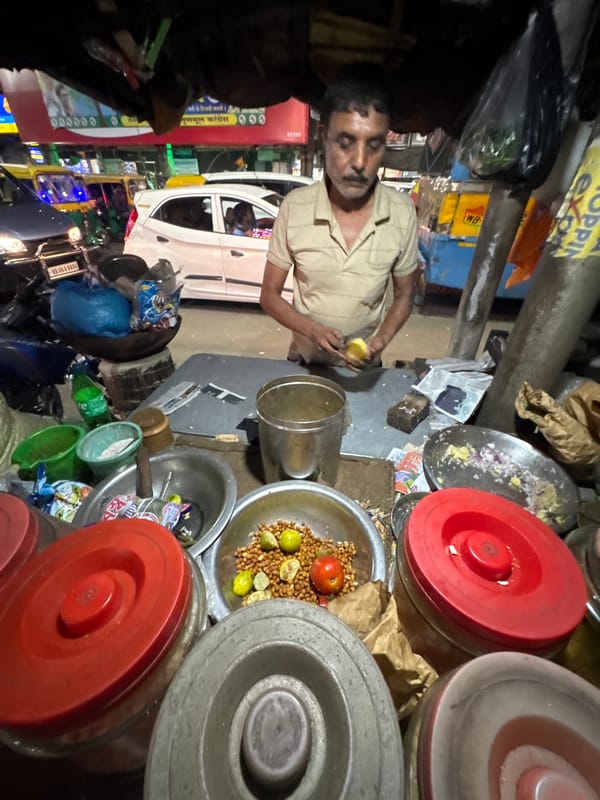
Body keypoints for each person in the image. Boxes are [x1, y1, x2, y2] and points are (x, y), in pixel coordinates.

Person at [260, 63, 418, 366]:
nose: (360, 161)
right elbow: (269, 294)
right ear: (323, 137)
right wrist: (311, 330)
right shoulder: (294, 207)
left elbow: (404, 297)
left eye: (374, 145)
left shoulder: (401, 212)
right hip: (305, 363)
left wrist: (380, 341)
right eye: (345, 143)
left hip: (365, 370)